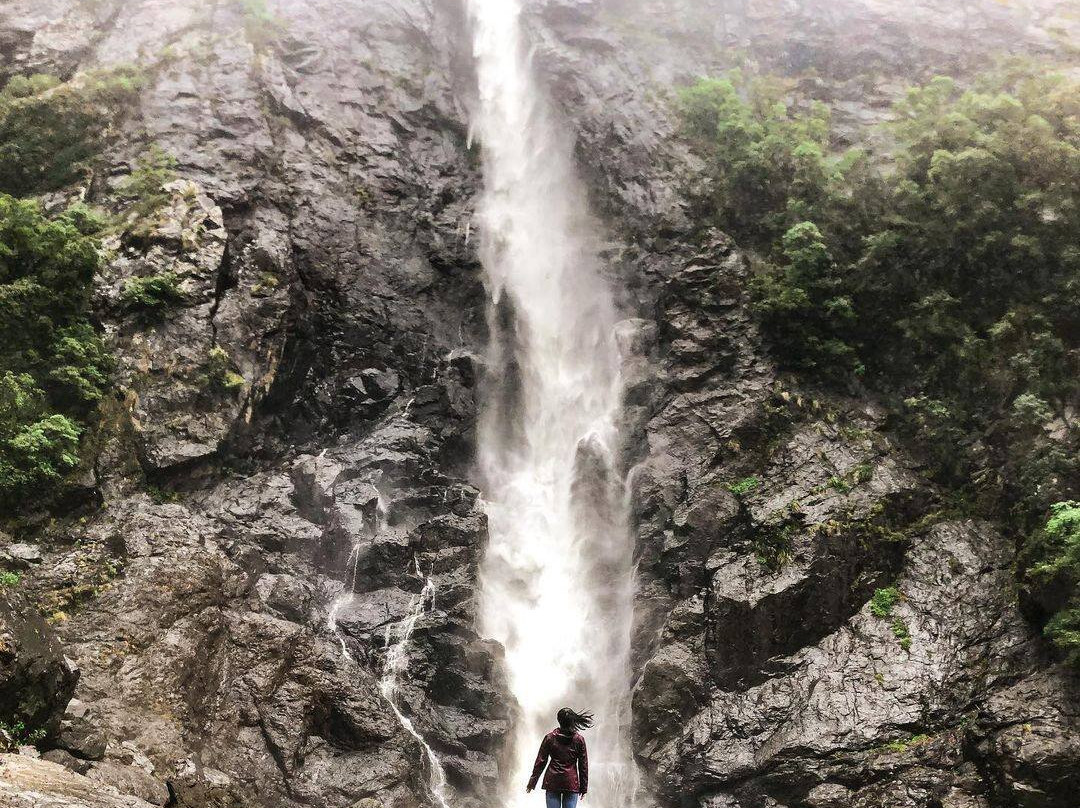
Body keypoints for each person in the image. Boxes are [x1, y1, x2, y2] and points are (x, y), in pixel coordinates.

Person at [526, 707, 592, 807]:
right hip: (571, 783)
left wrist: (532, 782)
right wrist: (583, 788)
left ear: (558, 720)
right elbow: (583, 766)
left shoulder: (549, 738)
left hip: (552, 782)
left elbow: (541, 762)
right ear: (573, 721)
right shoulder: (579, 740)